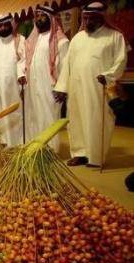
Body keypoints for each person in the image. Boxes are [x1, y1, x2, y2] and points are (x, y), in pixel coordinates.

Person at [54, 2, 128, 167]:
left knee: (96, 120)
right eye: (85, 18)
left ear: (102, 18)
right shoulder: (77, 38)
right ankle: (80, 154)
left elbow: (121, 60)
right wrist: (62, 88)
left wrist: (108, 76)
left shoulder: (115, 37)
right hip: (76, 88)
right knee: (76, 120)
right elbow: (67, 64)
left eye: (92, 19)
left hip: (99, 88)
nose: (87, 22)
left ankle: (95, 157)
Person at [25, 6, 69, 150]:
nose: (38, 19)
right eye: (37, 16)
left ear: (51, 19)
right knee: (34, 116)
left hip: (51, 87)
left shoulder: (61, 41)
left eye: (42, 16)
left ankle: (51, 149)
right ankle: (37, 147)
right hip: (33, 85)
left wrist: (62, 88)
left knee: (49, 117)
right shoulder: (33, 40)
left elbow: (66, 67)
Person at [0, 14, 26, 146]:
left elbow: (24, 60)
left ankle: (17, 143)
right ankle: (4, 142)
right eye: (0, 26)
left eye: (6, 25)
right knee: (0, 114)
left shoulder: (20, 40)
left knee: (15, 114)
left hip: (14, 86)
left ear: (12, 25)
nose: (3, 27)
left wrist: (21, 74)